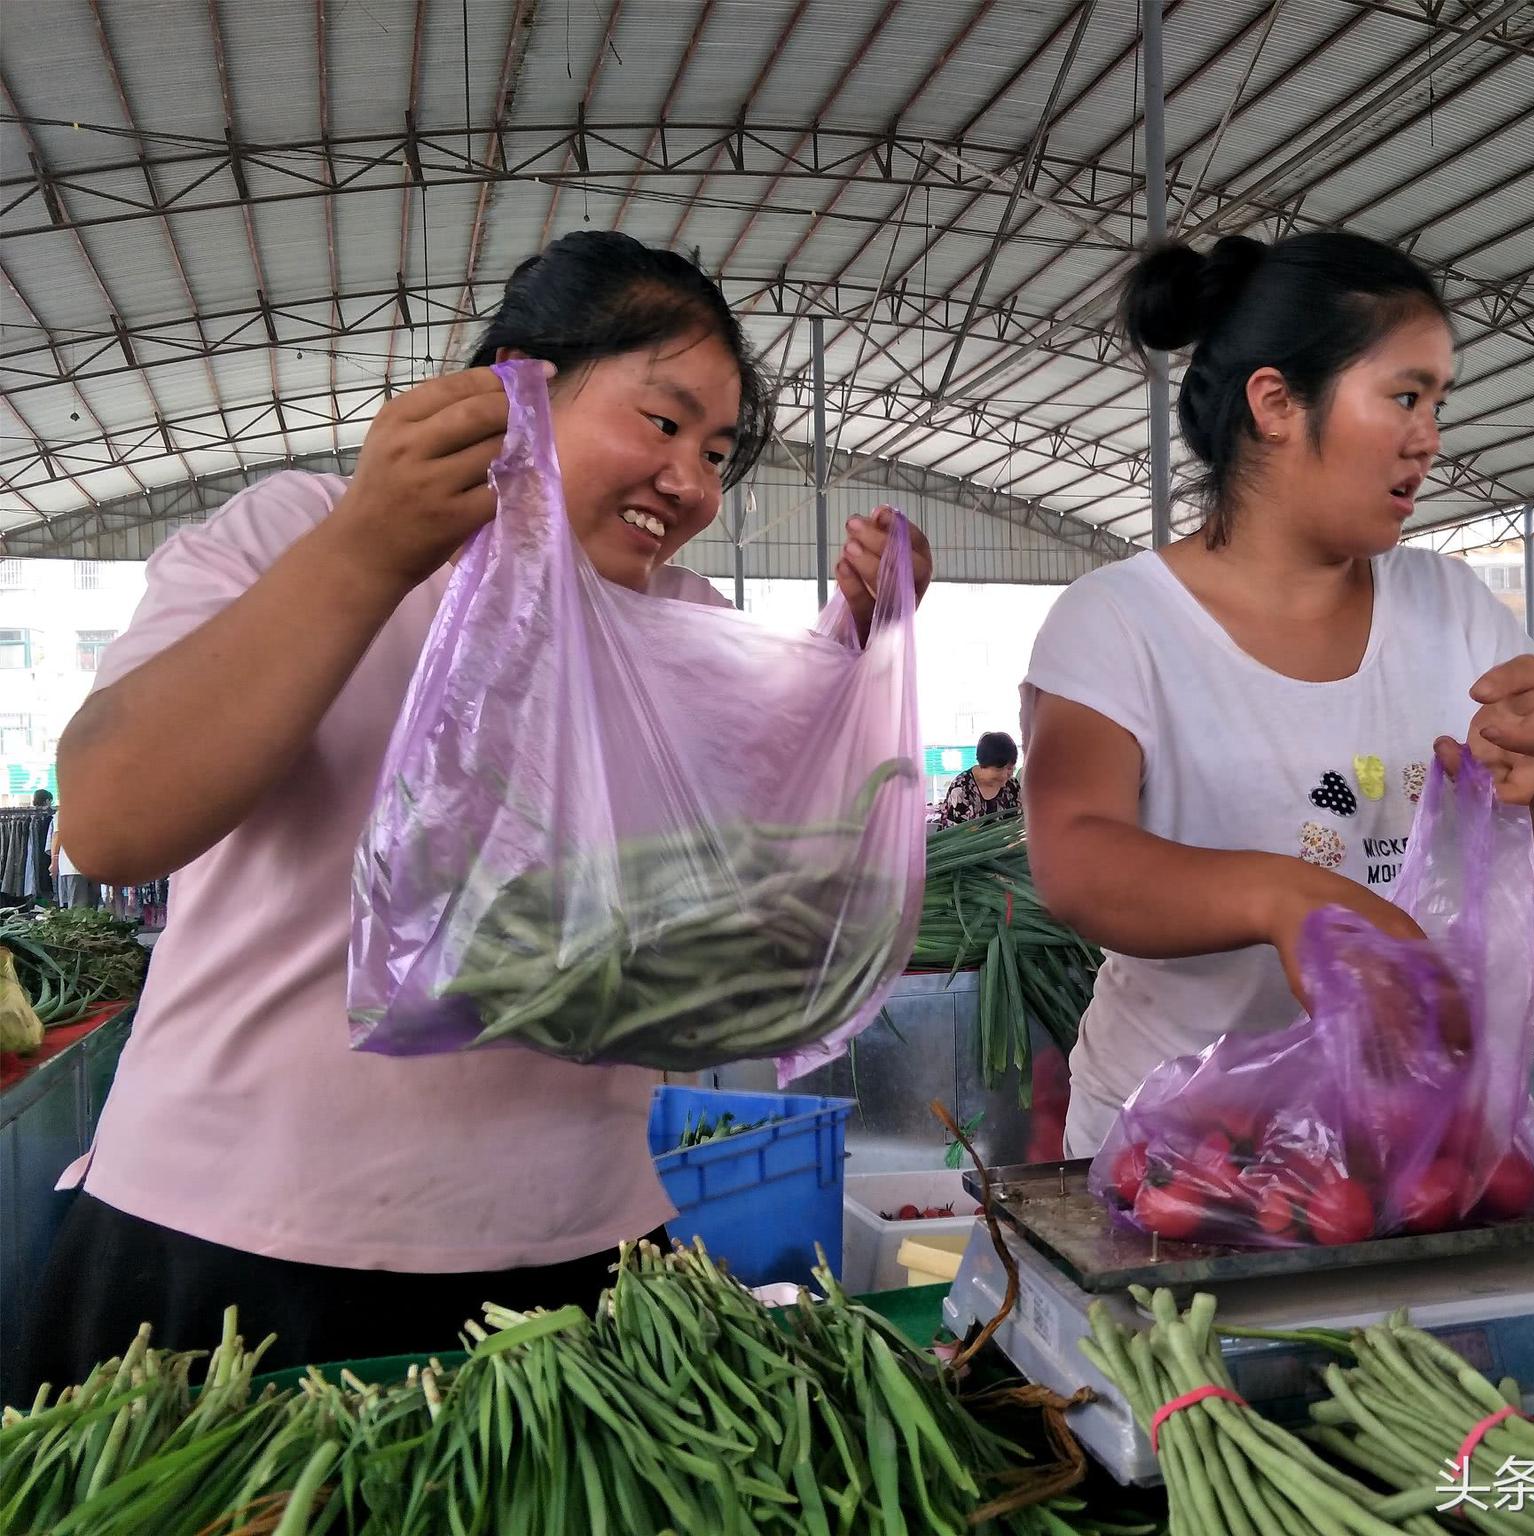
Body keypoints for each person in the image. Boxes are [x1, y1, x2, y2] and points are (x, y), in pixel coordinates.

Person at [21, 231, 934, 1393]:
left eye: (716, 451)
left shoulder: (686, 626)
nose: (694, 484)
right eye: (661, 424)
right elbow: (109, 823)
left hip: (580, 1262)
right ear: (516, 387)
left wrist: (846, 668)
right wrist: (367, 549)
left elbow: (740, 923)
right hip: (232, 1254)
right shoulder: (288, 533)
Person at [1022, 232, 1534, 1157]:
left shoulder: (1452, 609)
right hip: (1171, 1143)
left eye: (1437, 402)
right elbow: (1077, 859)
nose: (1428, 439)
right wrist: (1291, 900)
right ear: (1276, 403)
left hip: (1404, 1139)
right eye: (1403, 395)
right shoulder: (1117, 622)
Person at [938, 731, 1022, 824]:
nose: (1007, 774)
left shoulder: (1012, 785)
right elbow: (955, 835)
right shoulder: (961, 789)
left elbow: (1018, 823)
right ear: (983, 765)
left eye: (1010, 768)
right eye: (999, 769)